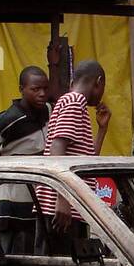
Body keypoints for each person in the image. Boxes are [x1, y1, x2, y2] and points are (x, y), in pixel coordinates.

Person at [0, 66, 52, 253]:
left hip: (40, 194)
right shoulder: (9, 119)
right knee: (11, 249)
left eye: (45, 88)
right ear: (22, 89)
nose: (42, 94)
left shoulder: (49, 111)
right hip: (13, 197)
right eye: (35, 89)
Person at [35, 60, 111, 236]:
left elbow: (87, 163)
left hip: (69, 206)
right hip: (61, 209)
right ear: (98, 82)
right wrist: (63, 198)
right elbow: (57, 146)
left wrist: (102, 130)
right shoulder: (75, 102)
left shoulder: (72, 103)